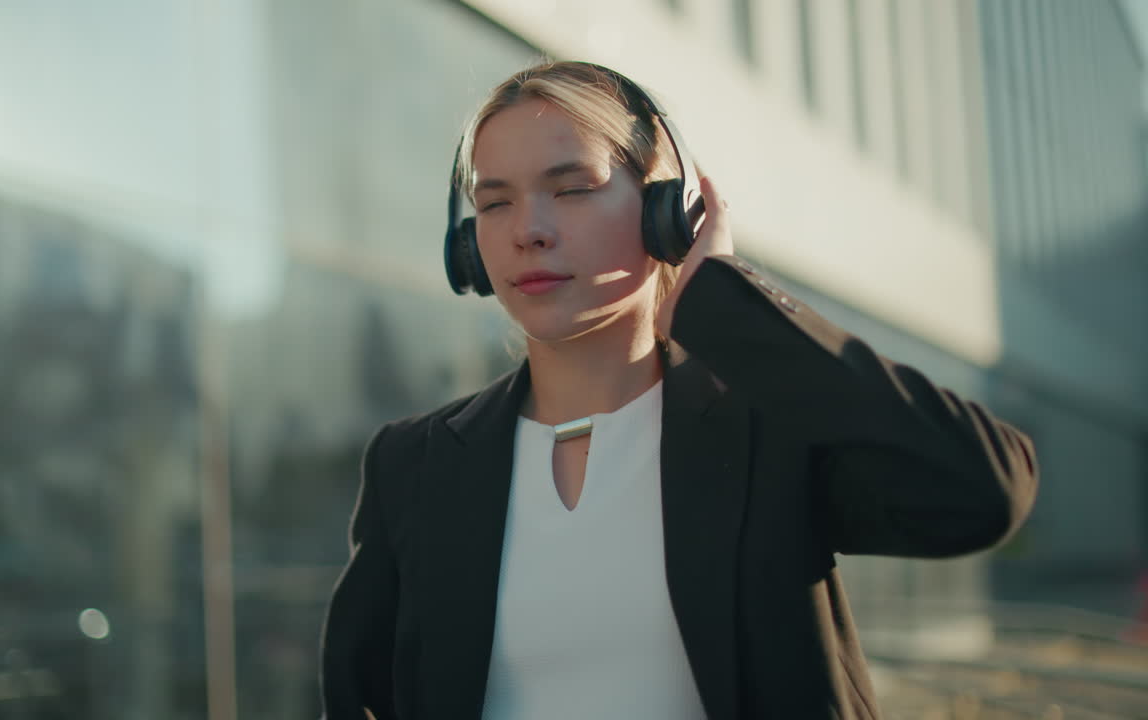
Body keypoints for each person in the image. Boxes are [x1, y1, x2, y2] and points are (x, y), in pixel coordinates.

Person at [319, 60, 1038, 719]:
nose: (527, 231)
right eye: (495, 202)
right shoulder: (413, 466)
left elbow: (981, 491)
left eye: (571, 189)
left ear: (670, 209)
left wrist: (729, 306)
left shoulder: (768, 432)